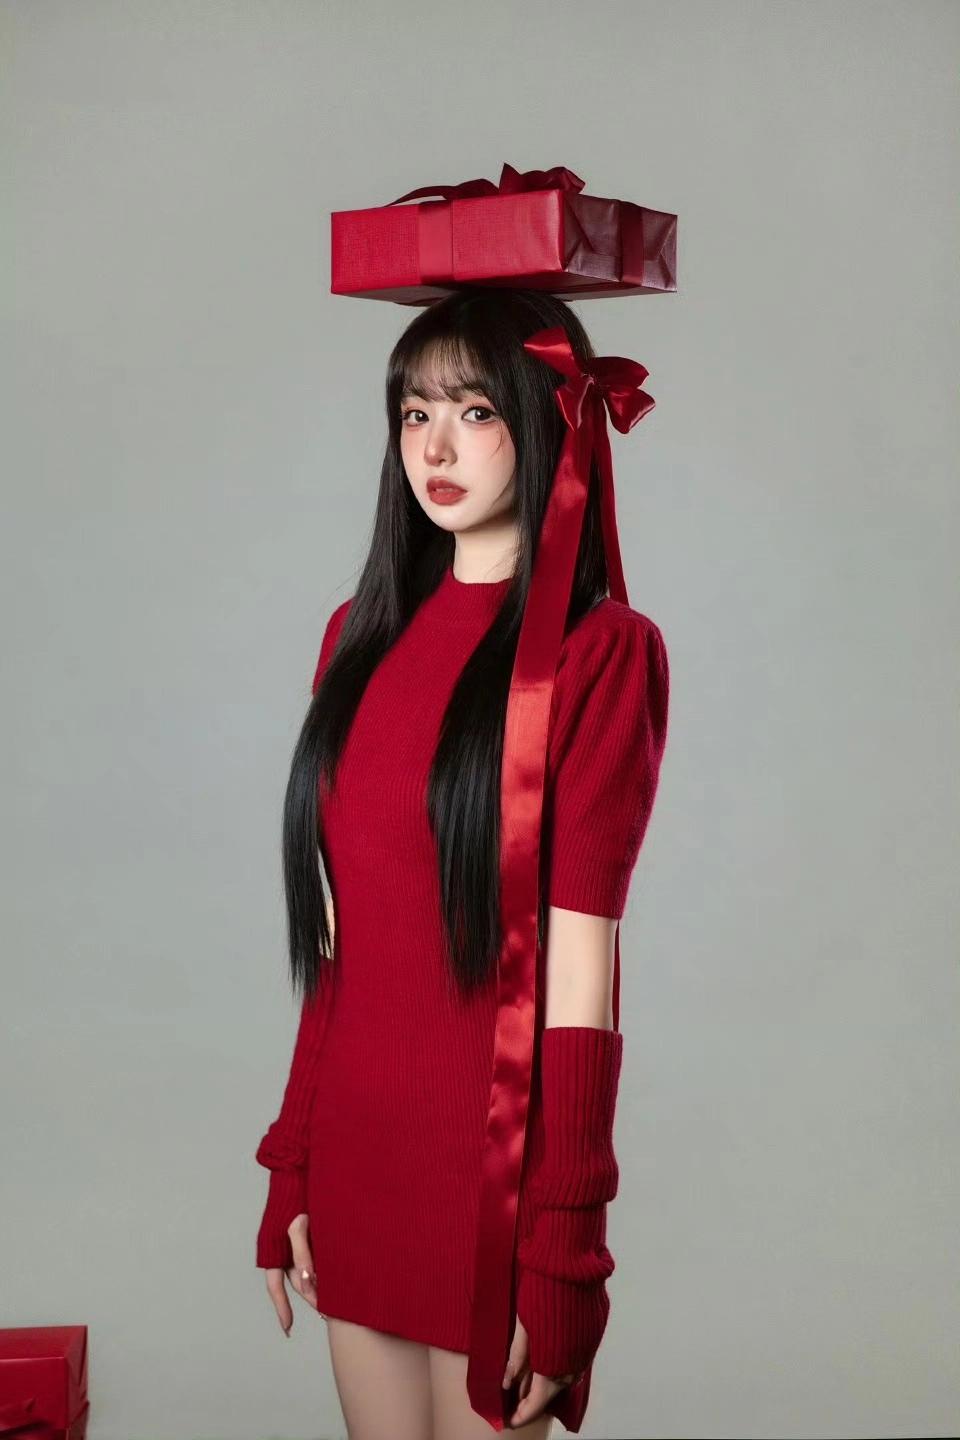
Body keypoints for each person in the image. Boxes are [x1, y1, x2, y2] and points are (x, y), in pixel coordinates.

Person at [253, 284, 671, 1439]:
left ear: (546, 421)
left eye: (475, 411)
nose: (435, 448)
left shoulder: (602, 655)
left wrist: (566, 1246)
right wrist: (293, 1159)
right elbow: (341, 942)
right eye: (415, 413)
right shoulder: (356, 635)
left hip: (494, 1180)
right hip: (360, 1163)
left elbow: (582, 984)